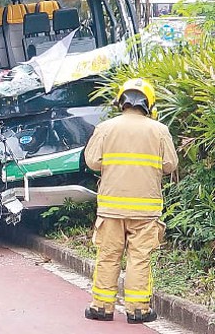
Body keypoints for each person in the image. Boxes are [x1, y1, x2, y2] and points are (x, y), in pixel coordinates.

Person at [83, 78, 178, 324]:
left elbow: (92, 161)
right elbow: (170, 165)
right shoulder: (159, 130)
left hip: (112, 207)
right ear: (149, 103)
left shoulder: (106, 128)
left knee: (108, 255)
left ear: (121, 100)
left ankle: (101, 308)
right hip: (145, 209)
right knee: (139, 258)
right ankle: (138, 310)